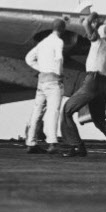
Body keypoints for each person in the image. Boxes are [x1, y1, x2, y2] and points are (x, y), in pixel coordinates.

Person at [59, 16, 106, 157]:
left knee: (67, 110)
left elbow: (87, 23)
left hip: (92, 82)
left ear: (100, 34)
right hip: (104, 87)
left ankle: (76, 146)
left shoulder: (98, 43)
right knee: (99, 120)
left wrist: (92, 17)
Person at [25, 19, 66, 154]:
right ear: (63, 29)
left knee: (37, 111)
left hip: (41, 81)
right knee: (53, 111)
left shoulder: (42, 43)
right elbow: (59, 59)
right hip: (53, 81)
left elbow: (29, 58)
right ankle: (52, 142)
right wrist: (59, 74)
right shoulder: (58, 42)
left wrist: (41, 68)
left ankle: (31, 142)